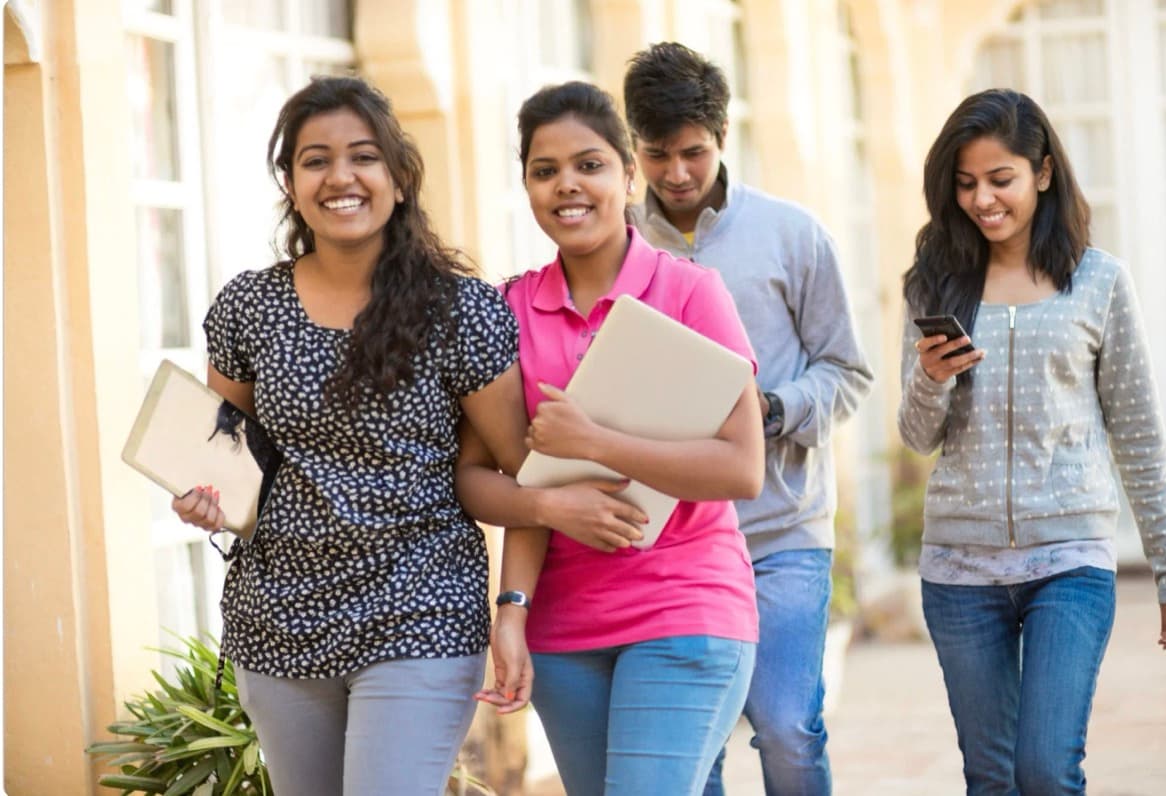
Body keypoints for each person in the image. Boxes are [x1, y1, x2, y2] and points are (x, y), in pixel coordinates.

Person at [170, 75, 529, 796]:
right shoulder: (249, 307)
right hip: (279, 618)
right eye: (316, 160)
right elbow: (225, 461)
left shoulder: (460, 311)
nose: (341, 177)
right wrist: (204, 499)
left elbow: (524, 472)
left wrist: (511, 611)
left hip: (420, 610)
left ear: (399, 177)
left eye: (364, 157)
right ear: (290, 183)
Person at [455, 81, 763, 796]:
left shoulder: (690, 293)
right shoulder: (506, 309)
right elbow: (474, 477)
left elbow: (743, 467)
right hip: (563, 630)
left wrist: (594, 442)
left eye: (589, 165)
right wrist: (525, 575)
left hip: (686, 606)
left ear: (628, 175)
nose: (567, 184)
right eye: (545, 170)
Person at [898, 88, 1166, 794]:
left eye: (999, 179)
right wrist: (931, 379)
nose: (981, 200)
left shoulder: (1098, 282)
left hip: (1070, 560)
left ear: (1042, 172)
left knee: (1045, 769)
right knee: (991, 777)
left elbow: (1138, 433)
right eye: (965, 183)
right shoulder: (936, 284)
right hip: (959, 571)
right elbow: (916, 436)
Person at [623, 42, 874, 796]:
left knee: (789, 730)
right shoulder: (616, 244)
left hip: (782, 531)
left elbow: (848, 371)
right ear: (633, 146)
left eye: (693, 152)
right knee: (695, 753)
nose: (676, 173)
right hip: (669, 544)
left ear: (724, 135)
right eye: (657, 154)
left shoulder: (793, 234)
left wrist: (776, 408)